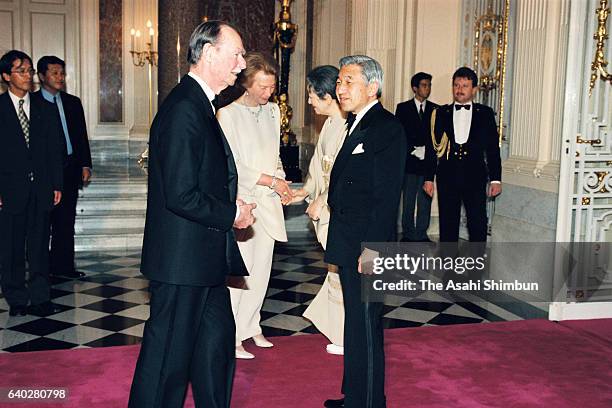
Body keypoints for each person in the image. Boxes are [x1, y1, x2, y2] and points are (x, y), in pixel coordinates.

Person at [128, 21, 256, 408]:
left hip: (204, 262)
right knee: (166, 361)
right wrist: (232, 213)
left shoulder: (200, 105)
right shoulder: (184, 108)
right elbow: (181, 195)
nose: (241, 64)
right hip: (182, 264)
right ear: (207, 53)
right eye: (235, 54)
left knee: (215, 350)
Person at [323, 55, 407, 408]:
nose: (340, 89)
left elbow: (387, 198)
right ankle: (354, 396)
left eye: (348, 82)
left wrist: (373, 250)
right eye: (339, 82)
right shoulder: (357, 123)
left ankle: (371, 402)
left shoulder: (387, 128)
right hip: (347, 238)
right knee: (354, 322)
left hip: (367, 244)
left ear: (372, 87)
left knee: (368, 326)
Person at [217, 51, 292, 360]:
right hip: (243, 202)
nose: (268, 92)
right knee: (240, 275)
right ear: (246, 84)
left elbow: (273, 154)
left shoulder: (274, 111)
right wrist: (269, 181)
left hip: (269, 201)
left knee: (261, 271)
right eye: (262, 86)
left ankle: (252, 327)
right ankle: (232, 335)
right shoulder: (227, 114)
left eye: (271, 86)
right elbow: (232, 166)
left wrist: (281, 180)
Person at [0, 50, 63, 317]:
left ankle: (41, 297)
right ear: (6, 76)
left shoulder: (44, 109)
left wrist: (56, 184)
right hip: (10, 192)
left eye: (29, 70)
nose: (28, 76)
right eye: (21, 71)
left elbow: (54, 150)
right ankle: (16, 299)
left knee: (39, 246)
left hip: (41, 189)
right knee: (11, 248)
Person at [292, 65, 346, 355]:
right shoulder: (328, 124)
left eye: (312, 95)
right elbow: (319, 168)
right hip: (326, 209)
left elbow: (342, 173)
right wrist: (304, 190)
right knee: (335, 271)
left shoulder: (349, 126)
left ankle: (344, 334)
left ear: (327, 95)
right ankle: (339, 331)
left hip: (339, 212)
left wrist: (322, 198)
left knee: (341, 272)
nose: (309, 101)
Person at [423, 67, 502, 243]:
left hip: (475, 175)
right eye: (456, 85)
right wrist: (428, 178)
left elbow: (492, 149)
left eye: (465, 85)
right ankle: (448, 267)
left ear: (474, 89)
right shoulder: (441, 113)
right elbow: (431, 148)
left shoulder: (485, 114)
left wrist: (496, 179)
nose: (459, 89)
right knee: (448, 223)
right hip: (447, 175)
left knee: (477, 223)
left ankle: (476, 267)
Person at [35, 55, 92, 279]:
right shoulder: (33, 103)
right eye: (54, 73)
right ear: (41, 76)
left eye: (61, 73)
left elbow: (80, 137)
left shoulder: (72, 102)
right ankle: (41, 269)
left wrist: (85, 164)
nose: (60, 77)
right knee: (42, 223)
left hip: (69, 169)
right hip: (43, 173)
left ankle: (64, 267)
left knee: (66, 221)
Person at [395, 72, 438, 242]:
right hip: (410, 162)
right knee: (409, 199)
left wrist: (427, 150)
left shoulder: (436, 109)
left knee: (425, 199)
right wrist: (412, 149)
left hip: (427, 162)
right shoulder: (403, 108)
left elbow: (437, 136)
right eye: (424, 85)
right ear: (415, 88)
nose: (427, 88)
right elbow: (399, 134)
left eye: (429, 85)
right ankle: (407, 232)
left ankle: (422, 232)